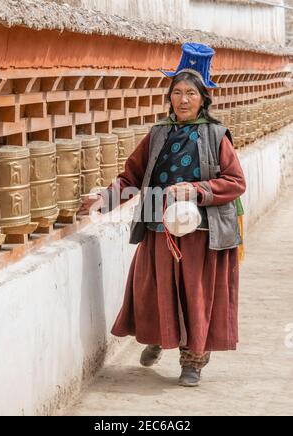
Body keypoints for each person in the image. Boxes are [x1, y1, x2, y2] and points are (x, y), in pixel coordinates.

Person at [78, 43, 246, 387]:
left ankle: (193, 361)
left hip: (201, 231)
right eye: (177, 93)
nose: (183, 100)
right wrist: (103, 199)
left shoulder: (216, 136)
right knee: (154, 289)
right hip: (158, 225)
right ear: (169, 97)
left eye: (191, 94)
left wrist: (196, 191)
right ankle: (158, 336)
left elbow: (235, 182)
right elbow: (132, 177)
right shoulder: (157, 135)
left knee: (195, 294)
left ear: (203, 99)